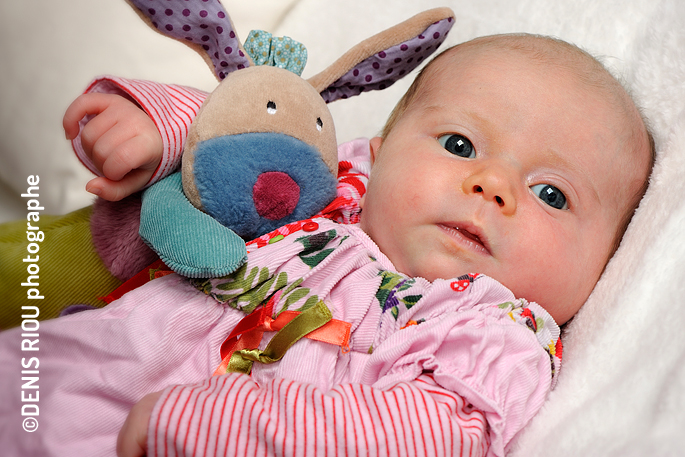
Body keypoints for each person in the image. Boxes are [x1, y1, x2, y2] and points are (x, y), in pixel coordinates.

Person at [0, 33, 654, 457]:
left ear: (603, 263)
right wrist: (157, 135)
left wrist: (217, 428)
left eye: (551, 194)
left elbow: (421, 432)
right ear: (378, 152)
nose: (492, 185)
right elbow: (235, 133)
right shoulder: (335, 190)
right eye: (459, 145)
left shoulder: (494, 331)